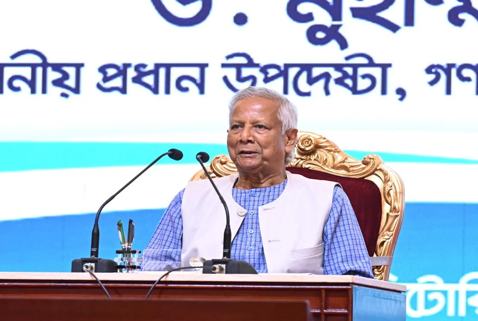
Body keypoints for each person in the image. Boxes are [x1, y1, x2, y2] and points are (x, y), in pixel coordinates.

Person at [142, 87, 373, 277]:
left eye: (259, 127)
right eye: (236, 127)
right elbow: (151, 271)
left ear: (289, 139)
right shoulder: (190, 198)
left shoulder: (327, 199)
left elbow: (352, 283)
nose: (244, 137)